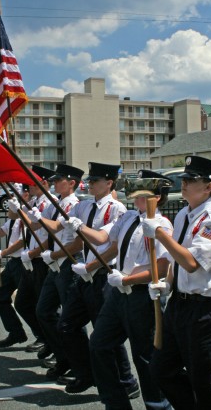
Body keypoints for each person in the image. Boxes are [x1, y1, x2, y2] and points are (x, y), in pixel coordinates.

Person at [66, 170, 174, 409]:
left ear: (157, 197)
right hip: (117, 294)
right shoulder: (128, 218)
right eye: (136, 193)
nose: (136, 197)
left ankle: (157, 405)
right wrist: (91, 267)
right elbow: (112, 247)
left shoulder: (161, 225)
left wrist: (127, 281)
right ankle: (115, 402)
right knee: (99, 344)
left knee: (145, 357)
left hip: (141, 296)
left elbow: (163, 267)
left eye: (142, 194)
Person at [141, 155, 211, 410]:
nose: (184, 183)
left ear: (209, 187)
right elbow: (177, 258)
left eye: (191, 180)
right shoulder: (184, 214)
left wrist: (159, 233)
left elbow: (192, 262)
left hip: (205, 309)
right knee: (162, 370)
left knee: (205, 383)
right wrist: (167, 284)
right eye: (184, 178)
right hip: (179, 305)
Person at [43, 162, 136, 395]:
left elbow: (103, 240)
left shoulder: (117, 210)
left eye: (95, 180)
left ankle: (126, 381)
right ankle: (86, 373)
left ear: (109, 183)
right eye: (90, 180)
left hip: (103, 275)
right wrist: (35, 211)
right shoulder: (83, 206)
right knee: (67, 325)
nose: (90, 184)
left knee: (105, 331)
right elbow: (58, 225)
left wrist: (82, 233)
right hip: (84, 275)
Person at [29, 164, 83, 380]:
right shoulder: (58, 203)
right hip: (55, 263)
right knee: (43, 311)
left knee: (69, 320)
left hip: (68, 262)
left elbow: (76, 242)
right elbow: (47, 227)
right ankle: (63, 356)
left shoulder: (74, 205)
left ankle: (76, 362)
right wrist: (33, 214)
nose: (54, 182)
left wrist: (39, 218)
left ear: (71, 183)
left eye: (59, 179)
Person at [15, 166, 56, 354]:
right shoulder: (34, 201)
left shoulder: (51, 203)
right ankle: (43, 336)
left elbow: (51, 234)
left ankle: (50, 342)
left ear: (44, 183)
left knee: (44, 306)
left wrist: (34, 253)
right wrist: (18, 206)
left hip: (40, 258)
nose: (28, 185)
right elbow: (26, 223)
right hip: (30, 258)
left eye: (31, 181)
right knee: (22, 302)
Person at [0, 186, 31, 348]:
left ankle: (43, 337)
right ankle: (16, 332)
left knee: (27, 302)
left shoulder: (27, 214)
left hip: (23, 263)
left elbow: (23, 240)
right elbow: (1, 233)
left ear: (25, 195)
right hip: (13, 262)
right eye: (11, 195)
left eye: (14, 195)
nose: (11, 198)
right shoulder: (13, 216)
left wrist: (2, 253)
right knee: (0, 296)